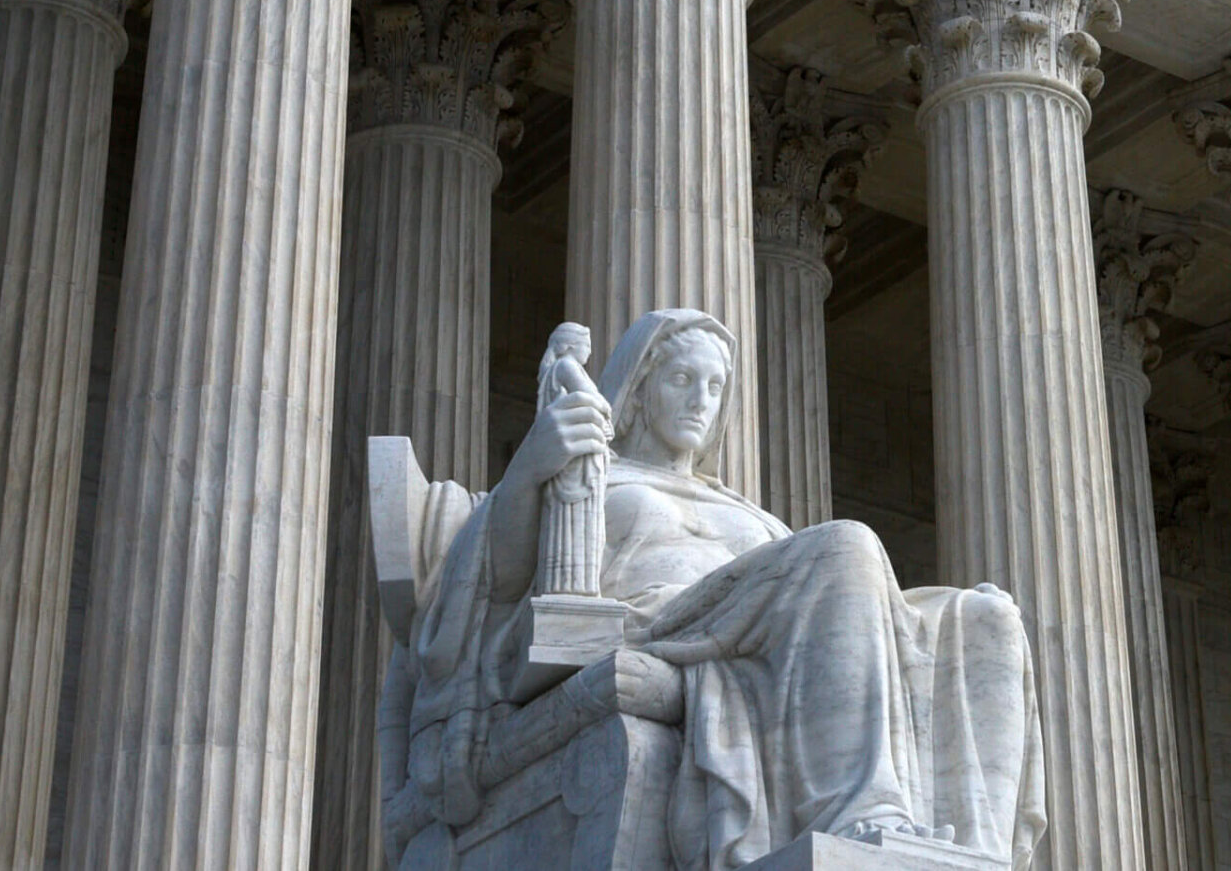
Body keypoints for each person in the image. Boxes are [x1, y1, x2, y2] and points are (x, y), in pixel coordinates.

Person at [391, 310, 1047, 871]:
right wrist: (534, 464)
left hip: (755, 639)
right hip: (657, 626)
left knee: (986, 617)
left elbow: (840, 612)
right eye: (682, 380)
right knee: (844, 544)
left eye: (715, 385)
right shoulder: (592, 477)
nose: (702, 399)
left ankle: (969, 851)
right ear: (641, 389)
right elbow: (497, 581)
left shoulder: (750, 513)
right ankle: (861, 813)